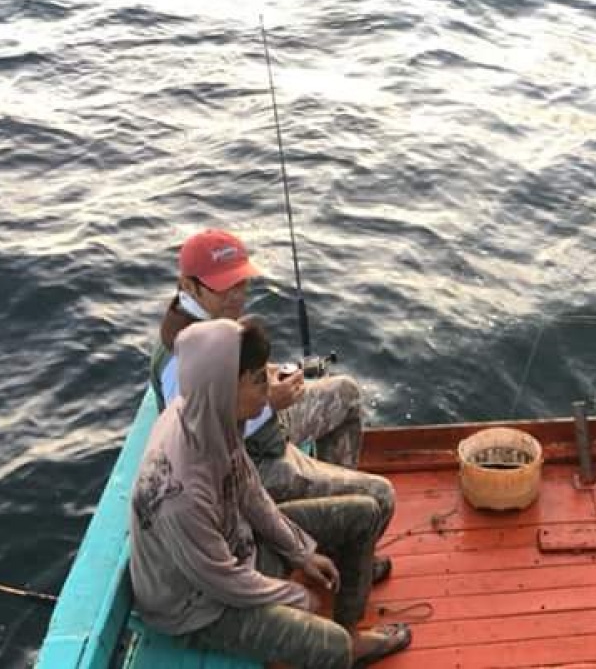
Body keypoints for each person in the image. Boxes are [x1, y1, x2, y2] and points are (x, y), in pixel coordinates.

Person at [130, 317, 411, 668]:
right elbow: (223, 581)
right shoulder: (180, 492)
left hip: (238, 548)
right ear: (226, 386)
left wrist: (300, 552)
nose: (267, 388)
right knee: (331, 645)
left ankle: (350, 629)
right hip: (199, 606)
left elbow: (249, 490)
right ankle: (346, 647)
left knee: (365, 512)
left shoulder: (215, 414)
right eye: (258, 380)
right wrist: (294, 595)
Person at [148, 228, 395, 579]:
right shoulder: (181, 358)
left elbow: (231, 383)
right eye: (224, 286)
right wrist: (270, 400)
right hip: (251, 458)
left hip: (264, 425)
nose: (237, 296)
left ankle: (335, 529)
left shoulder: (211, 321)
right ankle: (344, 546)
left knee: (347, 395)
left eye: (241, 283)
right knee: (381, 496)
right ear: (188, 286)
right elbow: (200, 439)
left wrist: (268, 376)